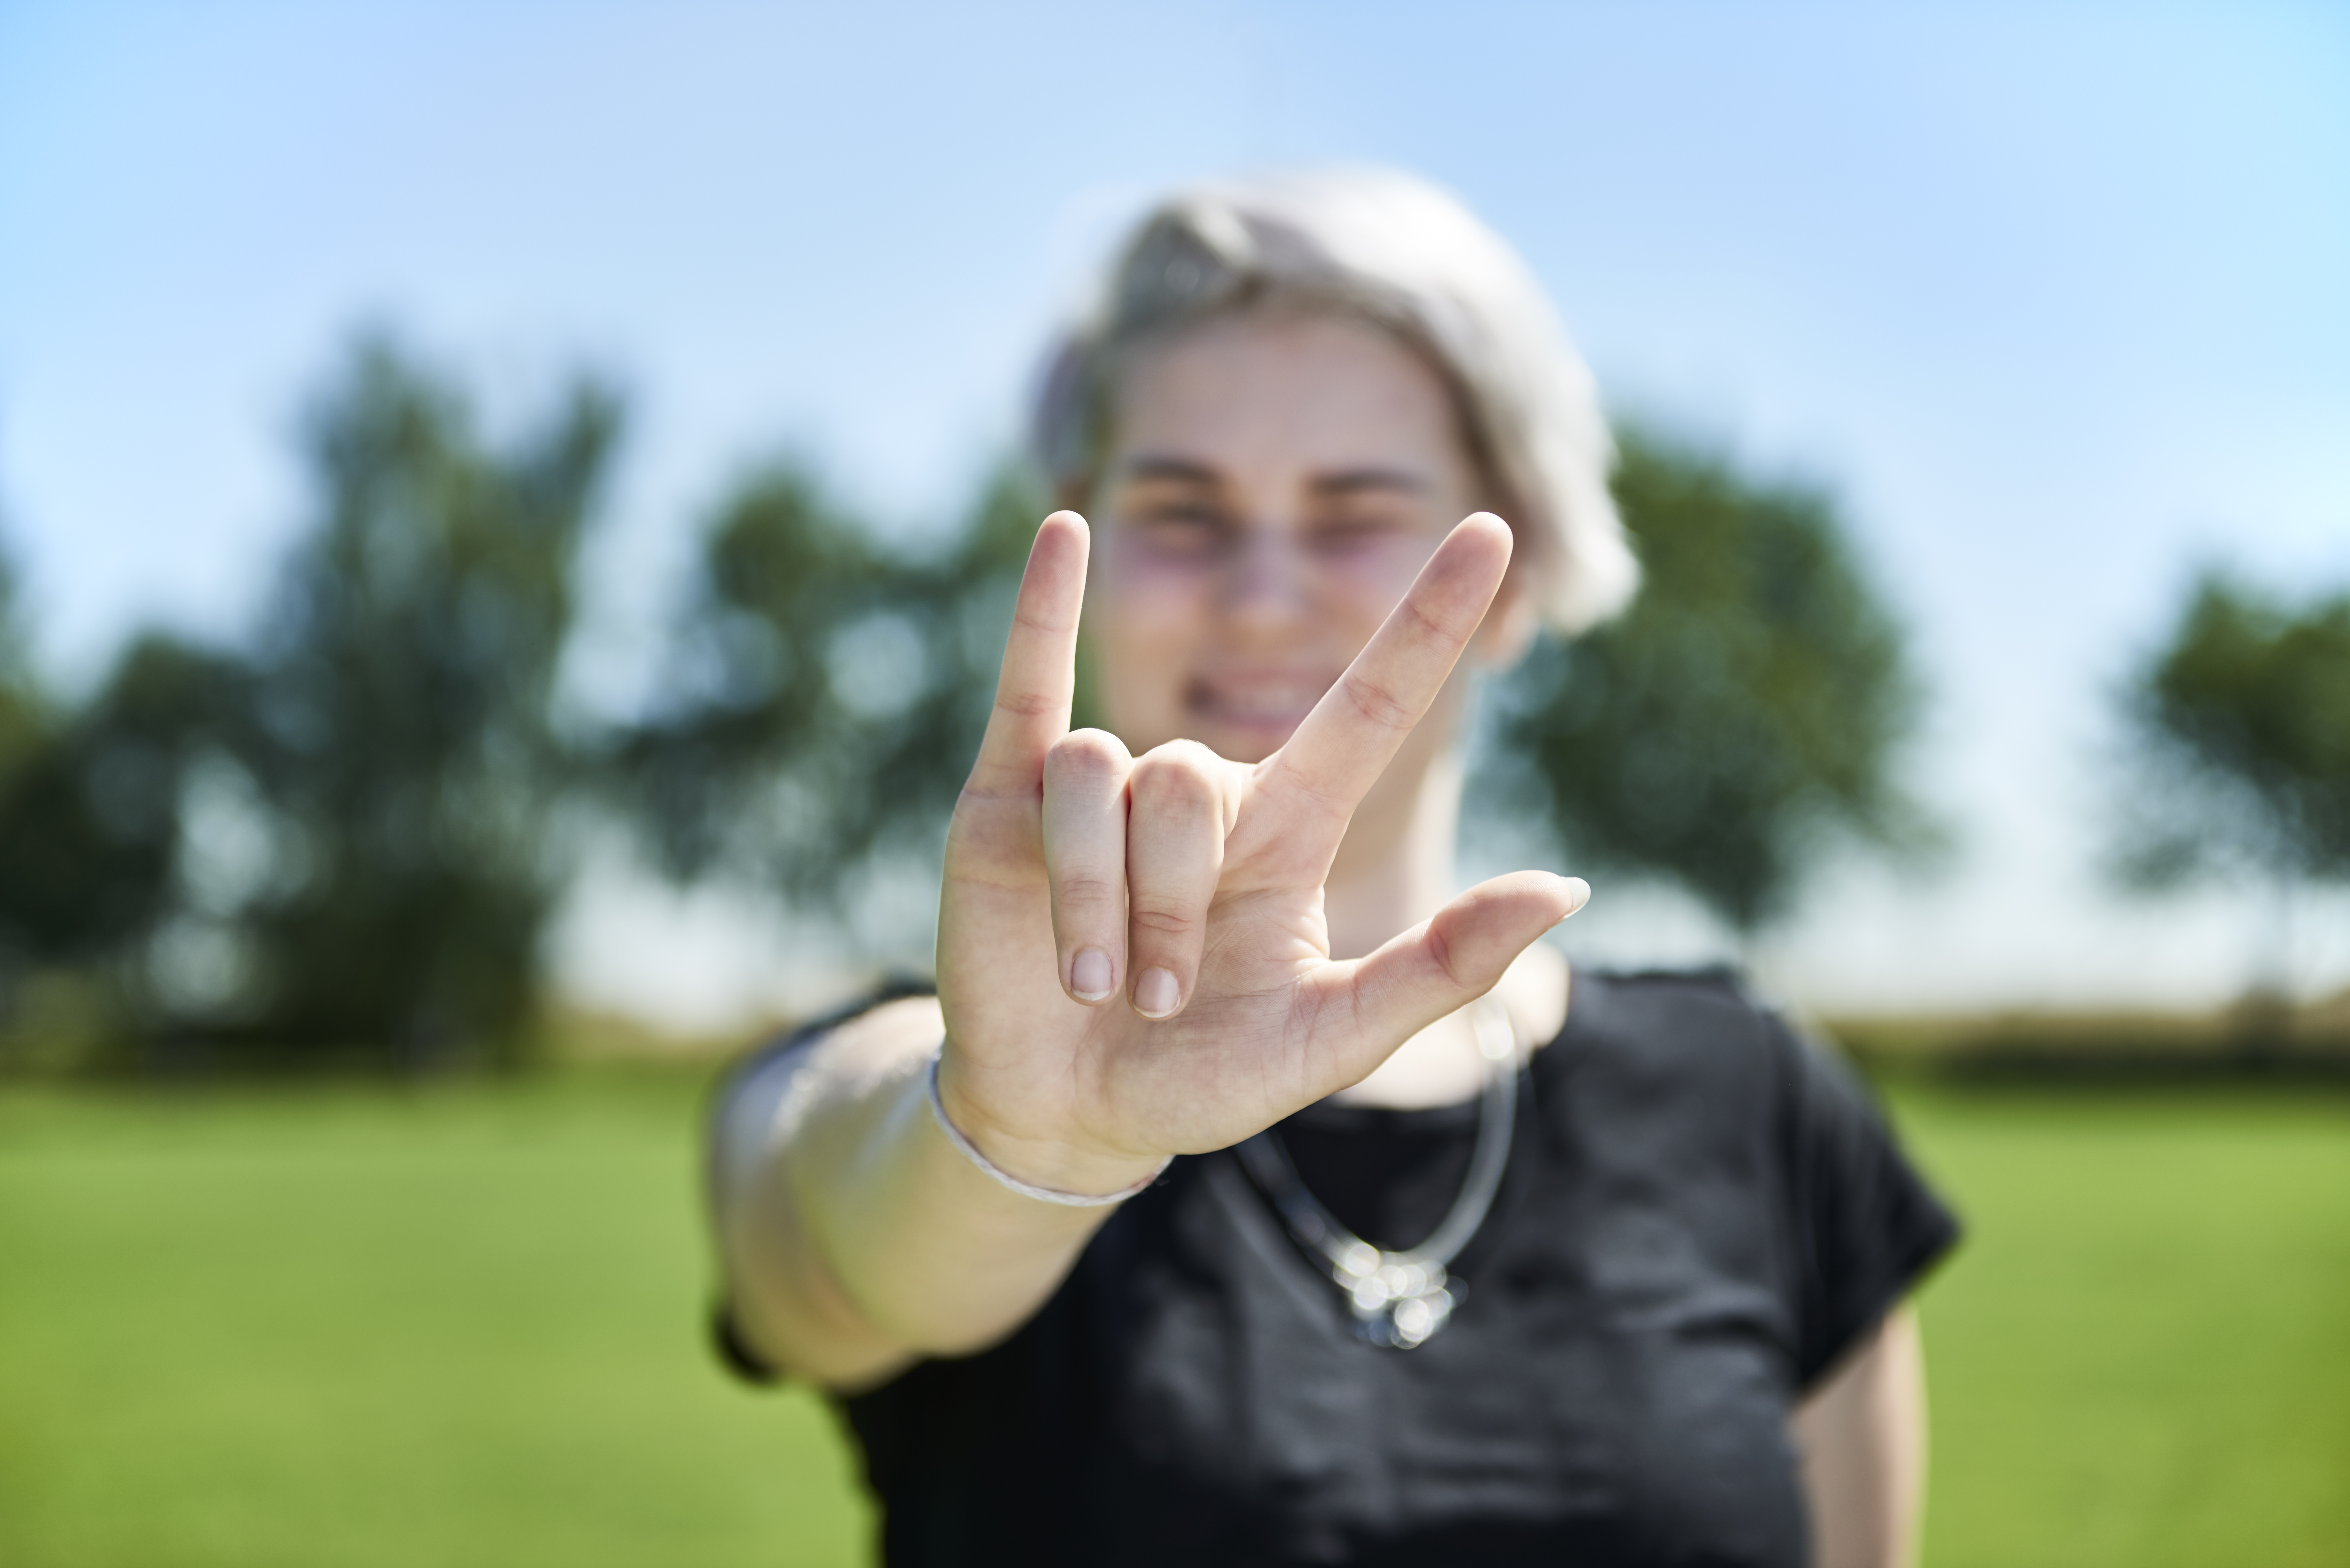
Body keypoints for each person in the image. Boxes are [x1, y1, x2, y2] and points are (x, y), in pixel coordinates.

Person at [707, 168, 1958, 1568]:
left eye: (1356, 510)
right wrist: (1014, 1151)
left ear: (1520, 564)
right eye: (1181, 509)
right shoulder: (960, 1070)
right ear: (1088, 538)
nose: (1259, 592)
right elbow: (822, 1244)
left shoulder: (1757, 1105)